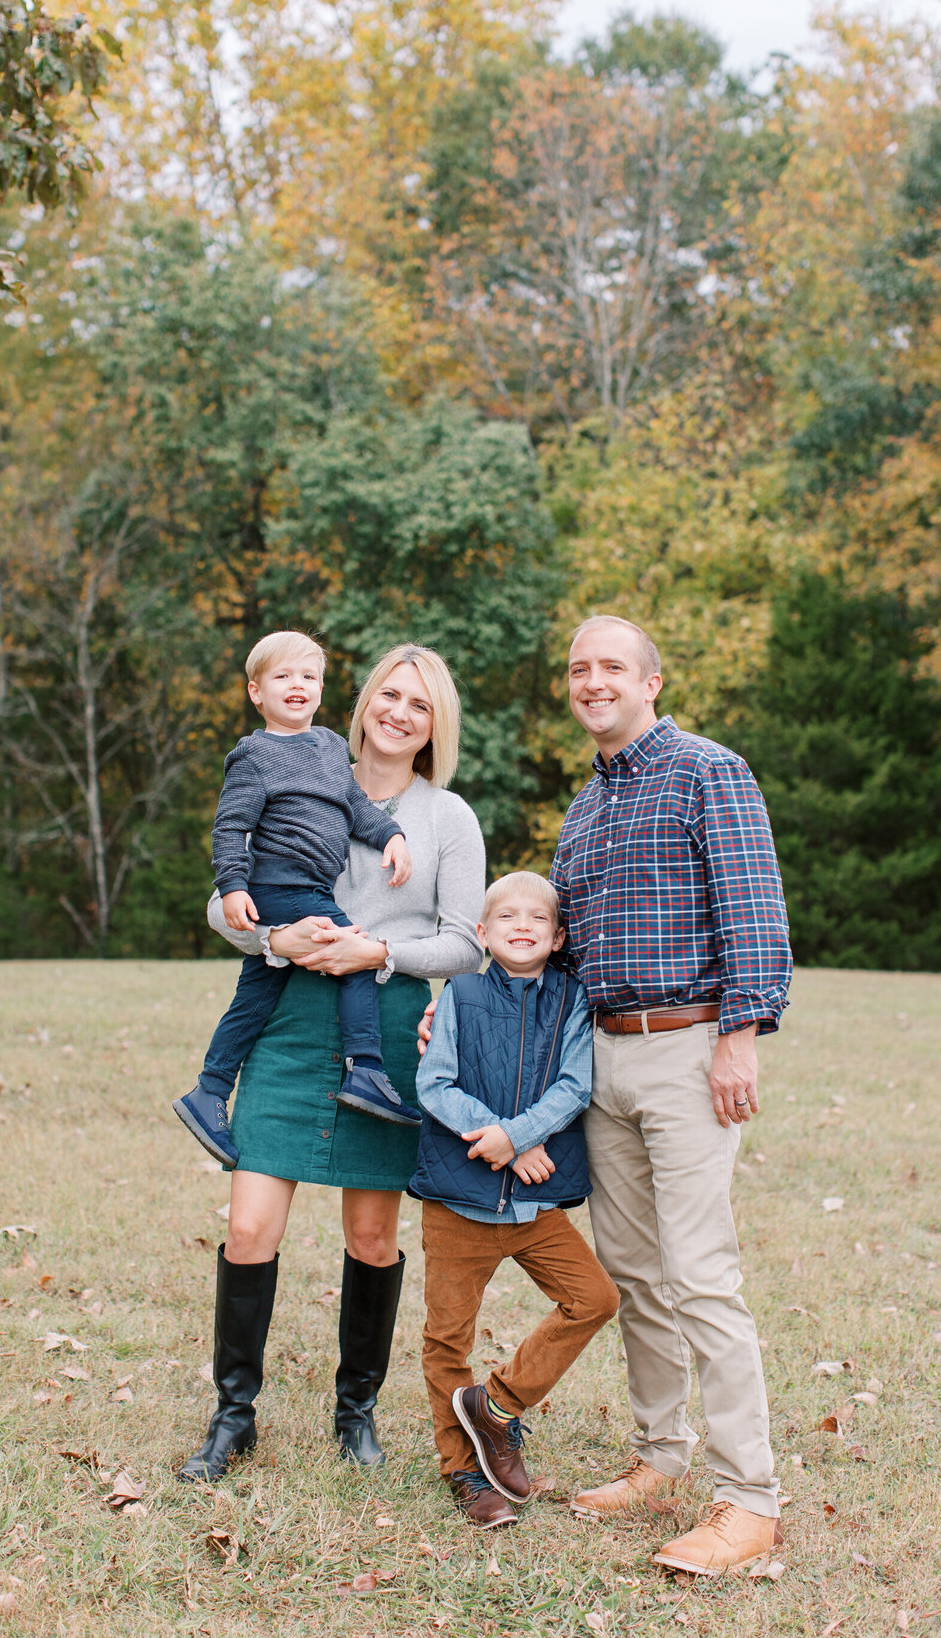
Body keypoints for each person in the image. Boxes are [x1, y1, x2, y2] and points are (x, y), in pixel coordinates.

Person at [177, 643, 485, 1483]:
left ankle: (356, 1412)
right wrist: (272, 936)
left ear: (434, 724)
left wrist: (373, 949)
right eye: (388, 694)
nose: (399, 712)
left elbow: (466, 943)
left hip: (381, 1031)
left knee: (372, 1233)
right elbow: (225, 895)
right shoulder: (298, 760)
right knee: (248, 1226)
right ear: (362, 702)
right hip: (284, 1011)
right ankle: (232, 1416)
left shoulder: (445, 817)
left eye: (418, 705)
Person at [552, 615, 793, 1577]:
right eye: (579, 669)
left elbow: (753, 904)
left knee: (700, 1275)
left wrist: (740, 1035)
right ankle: (659, 1455)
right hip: (603, 1060)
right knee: (636, 1273)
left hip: (692, 1047)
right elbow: (561, 949)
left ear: (653, 681)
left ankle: (750, 1501)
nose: (593, 681)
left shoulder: (708, 770)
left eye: (612, 666)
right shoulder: (583, 807)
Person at [411, 872, 620, 1530]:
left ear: (559, 937)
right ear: (482, 932)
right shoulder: (461, 995)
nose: (521, 924)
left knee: (595, 1298)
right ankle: (467, 1475)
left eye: (537, 917)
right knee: (447, 1340)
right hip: (458, 1203)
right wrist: (499, 1140)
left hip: (536, 1209)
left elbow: (573, 1086)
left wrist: (519, 1134)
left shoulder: (573, 999)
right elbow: (436, 1083)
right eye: (506, 916)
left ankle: (496, 1406)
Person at [173, 630, 417, 1166]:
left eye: (308, 676)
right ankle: (366, 1070)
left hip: (307, 887)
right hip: (281, 885)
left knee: (256, 996)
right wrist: (233, 885)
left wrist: (391, 834)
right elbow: (230, 827)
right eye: (283, 677)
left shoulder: (332, 746)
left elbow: (355, 804)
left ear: (322, 690)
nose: (297, 686)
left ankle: (210, 1089)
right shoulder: (253, 755)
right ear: (256, 692)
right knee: (351, 952)